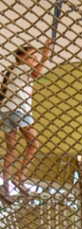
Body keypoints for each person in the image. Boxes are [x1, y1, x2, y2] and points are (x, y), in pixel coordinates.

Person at [1, 39, 52, 197]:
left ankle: (5, 185)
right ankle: (20, 177)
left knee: (12, 151)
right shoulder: (22, 68)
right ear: (21, 58)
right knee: (33, 145)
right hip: (19, 111)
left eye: (35, 56)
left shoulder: (13, 71)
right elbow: (37, 74)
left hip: (5, 113)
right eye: (32, 56)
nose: (34, 59)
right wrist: (45, 56)